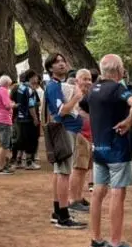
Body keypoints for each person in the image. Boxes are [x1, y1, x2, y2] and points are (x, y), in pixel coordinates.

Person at [86, 55, 132, 247]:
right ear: (118, 70)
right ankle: (116, 243)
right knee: (117, 193)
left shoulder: (93, 89)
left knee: (98, 192)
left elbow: (83, 108)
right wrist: (128, 121)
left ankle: (96, 239)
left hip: (99, 148)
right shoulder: (118, 88)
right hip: (117, 149)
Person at [43, 53, 84, 229]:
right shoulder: (54, 86)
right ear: (50, 68)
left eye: (62, 61)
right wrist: (77, 96)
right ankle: (63, 215)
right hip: (64, 131)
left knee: (59, 172)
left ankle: (57, 211)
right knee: (64, 173)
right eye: (56, 62)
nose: (61, 64)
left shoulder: (59, 85)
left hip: (67, 130)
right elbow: (61, 111)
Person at [70, 69, 94, 211]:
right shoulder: (74, 94)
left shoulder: (88, 95)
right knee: (78, 168)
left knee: (84, 168)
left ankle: (78, 196)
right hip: (78, 135)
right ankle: (73, 199)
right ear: (77, 80)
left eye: (89, 79)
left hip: (89, 135)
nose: (88, 82)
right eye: (84, 79)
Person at [11, 71, 42, 170]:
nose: (36, 79)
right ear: (31, 78)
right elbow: (31, 105)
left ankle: (18, 160)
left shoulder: (19, 87)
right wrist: (35, 118)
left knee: (21, 140)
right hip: (28, 119)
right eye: (36, 77)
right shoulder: (30, 90)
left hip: (19, 118)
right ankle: (29, 162)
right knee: (31, 140)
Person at [0, 74, 16, 175]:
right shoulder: (4, 91)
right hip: (4, 119)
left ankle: (3, 165)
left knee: (2, 144)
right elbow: (7, 105)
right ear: (6, 84)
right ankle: (2, 167)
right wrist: (13, 104)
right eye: (9, 85)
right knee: (5, 145)